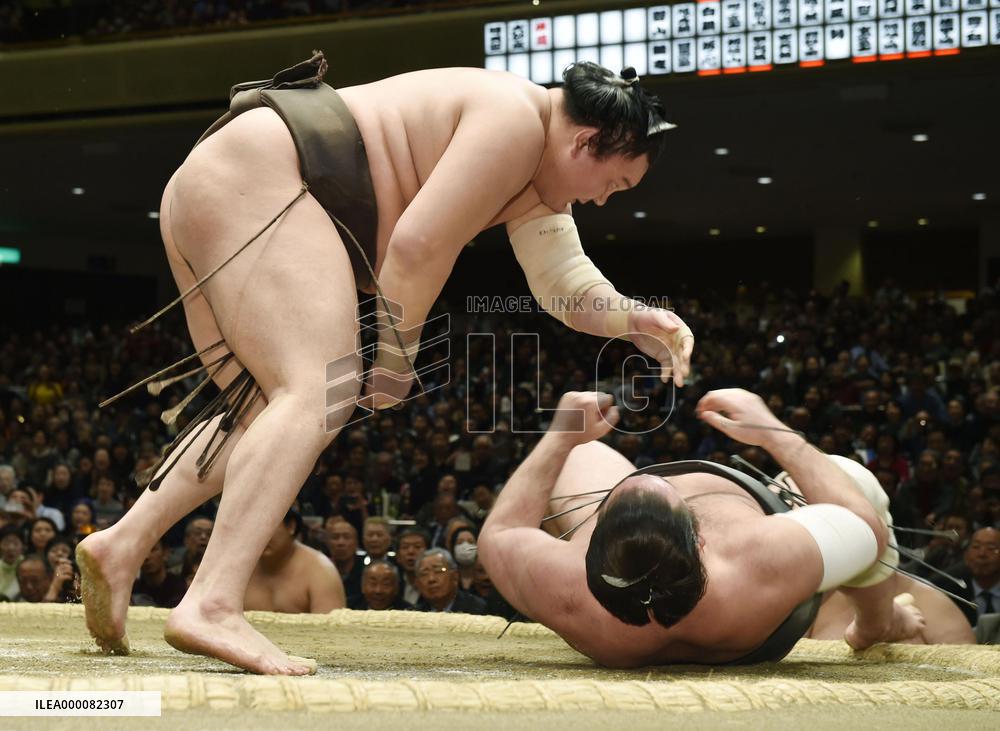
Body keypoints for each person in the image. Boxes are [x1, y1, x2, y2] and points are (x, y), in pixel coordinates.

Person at [76, 54, 693, 675]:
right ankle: (210, 602)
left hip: (224, 178)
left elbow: (560, 280)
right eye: (614, 183)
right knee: (319, 389)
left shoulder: (532, 169)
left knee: (263, 405)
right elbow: (419, 244)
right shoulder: (515, 119)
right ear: (587, 142)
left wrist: (634, 318)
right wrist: (395, 360)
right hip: (265, 175)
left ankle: (123, 544)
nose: (603, 200)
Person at [480, 389, 927, 668]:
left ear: (591, 541)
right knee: (852, 477)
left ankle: (876, 621)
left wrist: (559, 436)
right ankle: (875, 623)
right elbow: (866, 529)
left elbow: (499, 534)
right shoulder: (760, 560)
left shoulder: (567, 588)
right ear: (701, 538)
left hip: (634, 623)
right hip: (757, 613)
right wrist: (771, 432)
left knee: (576, 455)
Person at [245, 511, 345, 614]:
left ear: (291, 527)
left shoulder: (320, 570)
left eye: (267, 526)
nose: (260, 535)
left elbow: (330, 628)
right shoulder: (237, 569)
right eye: (252, 527)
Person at [932, 527, 1000, 627]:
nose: (982, 554)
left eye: (991, 548)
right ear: (966, 556)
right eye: (976, 547)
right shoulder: (948, 592)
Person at [413, 548, 487, 615]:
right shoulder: (414, 615)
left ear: (455, 576)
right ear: (417, 583)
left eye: (438, 570)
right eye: (424, 573)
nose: (431, 579)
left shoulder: (477, 609)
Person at [131, 539, 188, 608]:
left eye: (153, 549)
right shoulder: (133, 589)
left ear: (165, 553)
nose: (147, 557)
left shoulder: (179, 587)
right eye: (143, 551)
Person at [324, 516, 363, 602]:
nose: (340, 543)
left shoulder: (366, 572)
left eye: (347, 537)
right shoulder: (319, 571)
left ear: (356, 543)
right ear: (327, 543)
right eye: (335, 537)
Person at [395, 526, 430, 606]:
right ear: (398, 556)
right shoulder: (392, 585)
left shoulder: (435, 583)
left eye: (417, 547)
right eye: (405, 547)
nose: (411, 552)